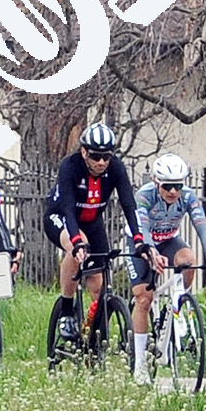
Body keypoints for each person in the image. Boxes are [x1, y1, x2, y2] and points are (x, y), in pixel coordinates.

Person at [128, 154, 206, 380]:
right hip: (141, 242)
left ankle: (179, 304)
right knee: (144, 298)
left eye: (178, 186)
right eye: (167, 186)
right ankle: (139, 365)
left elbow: (201, 225)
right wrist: (151, 252)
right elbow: (143, 228)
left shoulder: (188, 196)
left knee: (189, 260)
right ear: (157, 182)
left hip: (168, 239)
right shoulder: (144, 196)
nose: (173, 191)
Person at [46, 121, 132, 313]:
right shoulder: (70, 166)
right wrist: (76, 242)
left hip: (92, 222)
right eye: (95, 156)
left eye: (106, 156)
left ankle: (96, 327)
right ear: (84, 152)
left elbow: (128, 205)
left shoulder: (115, 168)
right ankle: (66, 310)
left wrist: (139, 239)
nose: (101, 162)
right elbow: (68, 208)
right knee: (78, 247)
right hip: (61, 217)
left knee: (99, 287)